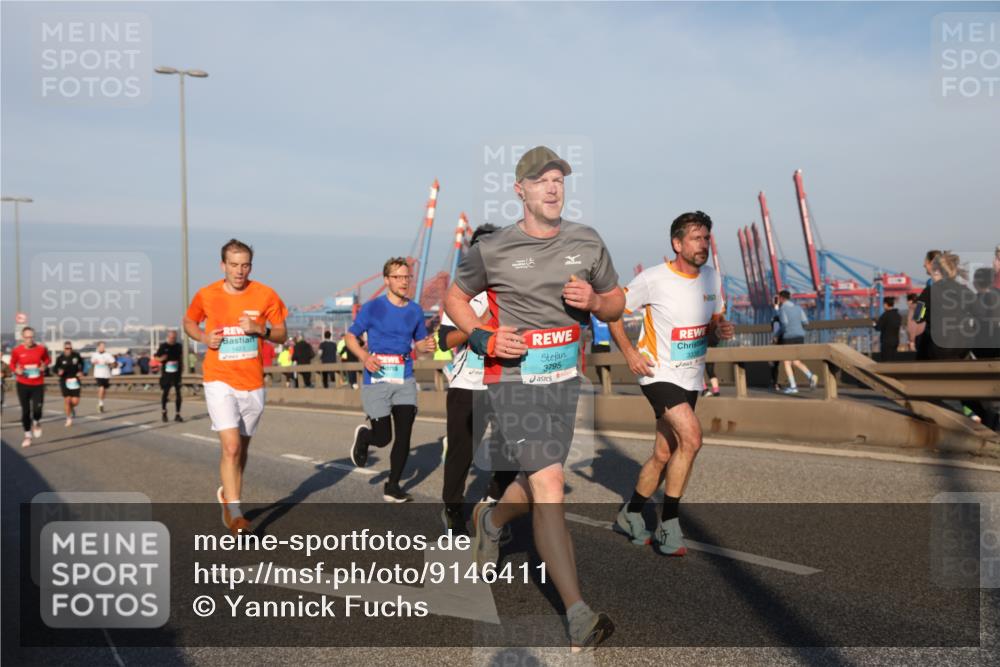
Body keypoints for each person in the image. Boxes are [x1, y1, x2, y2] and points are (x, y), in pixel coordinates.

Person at [444, 146, 622, 650]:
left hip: (564, 381)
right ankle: (578, 613)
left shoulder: (586, 241)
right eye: (541, 180)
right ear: (519, 189)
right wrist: (482, 336)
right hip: (513, 381)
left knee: (537, 475)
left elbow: (616, 301)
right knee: (548, 482)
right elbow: (455, 298)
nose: (552, 187)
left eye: (559, 180)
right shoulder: (493, 248)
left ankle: (490, 517)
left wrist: (597, 301)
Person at [608, 211, 733, 557]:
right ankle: (670, 525)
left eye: (707, 238)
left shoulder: (712, 278)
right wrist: (630, 353)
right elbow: (612, 310)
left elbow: (713, 325)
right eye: (696, 238)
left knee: (664, 453)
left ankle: (630, 514)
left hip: (691, 376)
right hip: (657, 373)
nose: (703, 245)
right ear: (677, 243)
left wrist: (719, 330)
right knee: (692, 438)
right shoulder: (653, 279)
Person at [183, 238, 288, 534]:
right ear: (223, 266)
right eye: (233, 265)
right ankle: (236, 513)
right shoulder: (207, 294)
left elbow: (281, 333)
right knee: (229, 448)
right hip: (219, 378)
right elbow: (189, 322)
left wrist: (261, 330)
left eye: (245, 265)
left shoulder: (265, 294)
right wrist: (203, 338)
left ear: (250, 267)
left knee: (240, 450)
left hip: (252, 382)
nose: (239, 271)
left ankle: (228, 498)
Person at [436, 223, 517, 535]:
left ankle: (491, 504)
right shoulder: (462, 294)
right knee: (462, 453)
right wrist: (478, 325)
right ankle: (453, 509)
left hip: (504, 383)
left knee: (511, 451)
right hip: (467, 384)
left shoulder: (512, 293)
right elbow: (445, 340)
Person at [346, 257, 436, 502]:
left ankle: (393, 486)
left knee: (405, 434)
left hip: (404, 377)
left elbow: (418, 344)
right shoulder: (372, 308)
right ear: (386, 280)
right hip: (377, 377)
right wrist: (364, 356)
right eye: (397, 277)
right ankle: (366, 436)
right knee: (383, 437)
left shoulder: (415, 310)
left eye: (407, 277)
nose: (403, 282)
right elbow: (350, 337)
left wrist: (426, 346)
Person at [914, 251, 976, 361]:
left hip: (940, 346)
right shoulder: (964, 290)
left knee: (922, 341)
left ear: (937, 272)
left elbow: (918, 317)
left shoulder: (928, 291)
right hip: (963, 345)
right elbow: (977, 312)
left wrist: (928, 314)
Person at [11, 327, 50, 448]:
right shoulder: (17, 351)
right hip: (23, 383)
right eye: (27, 337)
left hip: (38, 383)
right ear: (23, 337)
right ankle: (28, 435)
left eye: (32, 337)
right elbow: (12, 363)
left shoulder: (41, 349)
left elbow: (47, 359)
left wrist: (44, 366)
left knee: (37, 410)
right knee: (26, 411)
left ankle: (36, 421)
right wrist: (16, 370)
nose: (30, 339)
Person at [776, 290, 816, 394]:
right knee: (795, 361)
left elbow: (784, 324)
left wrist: (776, 335)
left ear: (781, 298)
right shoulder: (798, 308)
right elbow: (806, 322)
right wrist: (797, 327)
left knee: (786, 362)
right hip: (800, 336)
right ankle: (810, 376)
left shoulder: (782, 309)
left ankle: (793, 387)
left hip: (789, 337)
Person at [914, 250, 942, 358]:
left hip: (935, 344)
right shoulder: (958, 288)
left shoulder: (928, 290)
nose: (923, 265)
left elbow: (918, 316)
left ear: (932, 264)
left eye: (925, 262)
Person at [52, 341, 84, 427]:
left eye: (70, 348)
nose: (68, 350)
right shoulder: (60, 358)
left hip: (75, 380)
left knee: (75, 401)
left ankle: (71, 408)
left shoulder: (76, 356)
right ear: (64, 349)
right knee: (67, 400)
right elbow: (54, 368)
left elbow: (82, 363)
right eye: (66, 348)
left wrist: (81, 371)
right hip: (64, 380)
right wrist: (58, 371)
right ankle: (68, 418)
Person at [155, 329, 184, 422]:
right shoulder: (163, 346)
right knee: (165, 393)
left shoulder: (178, 346)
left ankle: (177, 414)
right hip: (166, 373)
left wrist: (182, 366)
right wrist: (161, 359)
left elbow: (181, 357)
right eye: (171, 337)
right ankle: (164, 412)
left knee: (178, 394)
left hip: (177, 373)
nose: (172, 339)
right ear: (168, 337)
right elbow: (156, 357)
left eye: (174, 338)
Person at [90, 341, 116, 412]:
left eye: (103, 346)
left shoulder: (108, 355)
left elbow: (114, 364)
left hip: (106, 374)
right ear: (98, 347)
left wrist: (109, 363)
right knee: (101, 387)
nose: (102, 348)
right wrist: (94, 362)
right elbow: (92, 362)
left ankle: (101, 402)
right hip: (98, 374)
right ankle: (100, 403)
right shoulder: (94, 354)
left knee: (104, 390)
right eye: (101, 346)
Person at [873, 297, 902, 361]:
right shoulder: (898, 315)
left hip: (886, 342)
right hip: (895, 341)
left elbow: (878, 328)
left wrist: (874, 323)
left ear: (886, 304)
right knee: (893, 359)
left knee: (886, 360)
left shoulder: (885, 315)